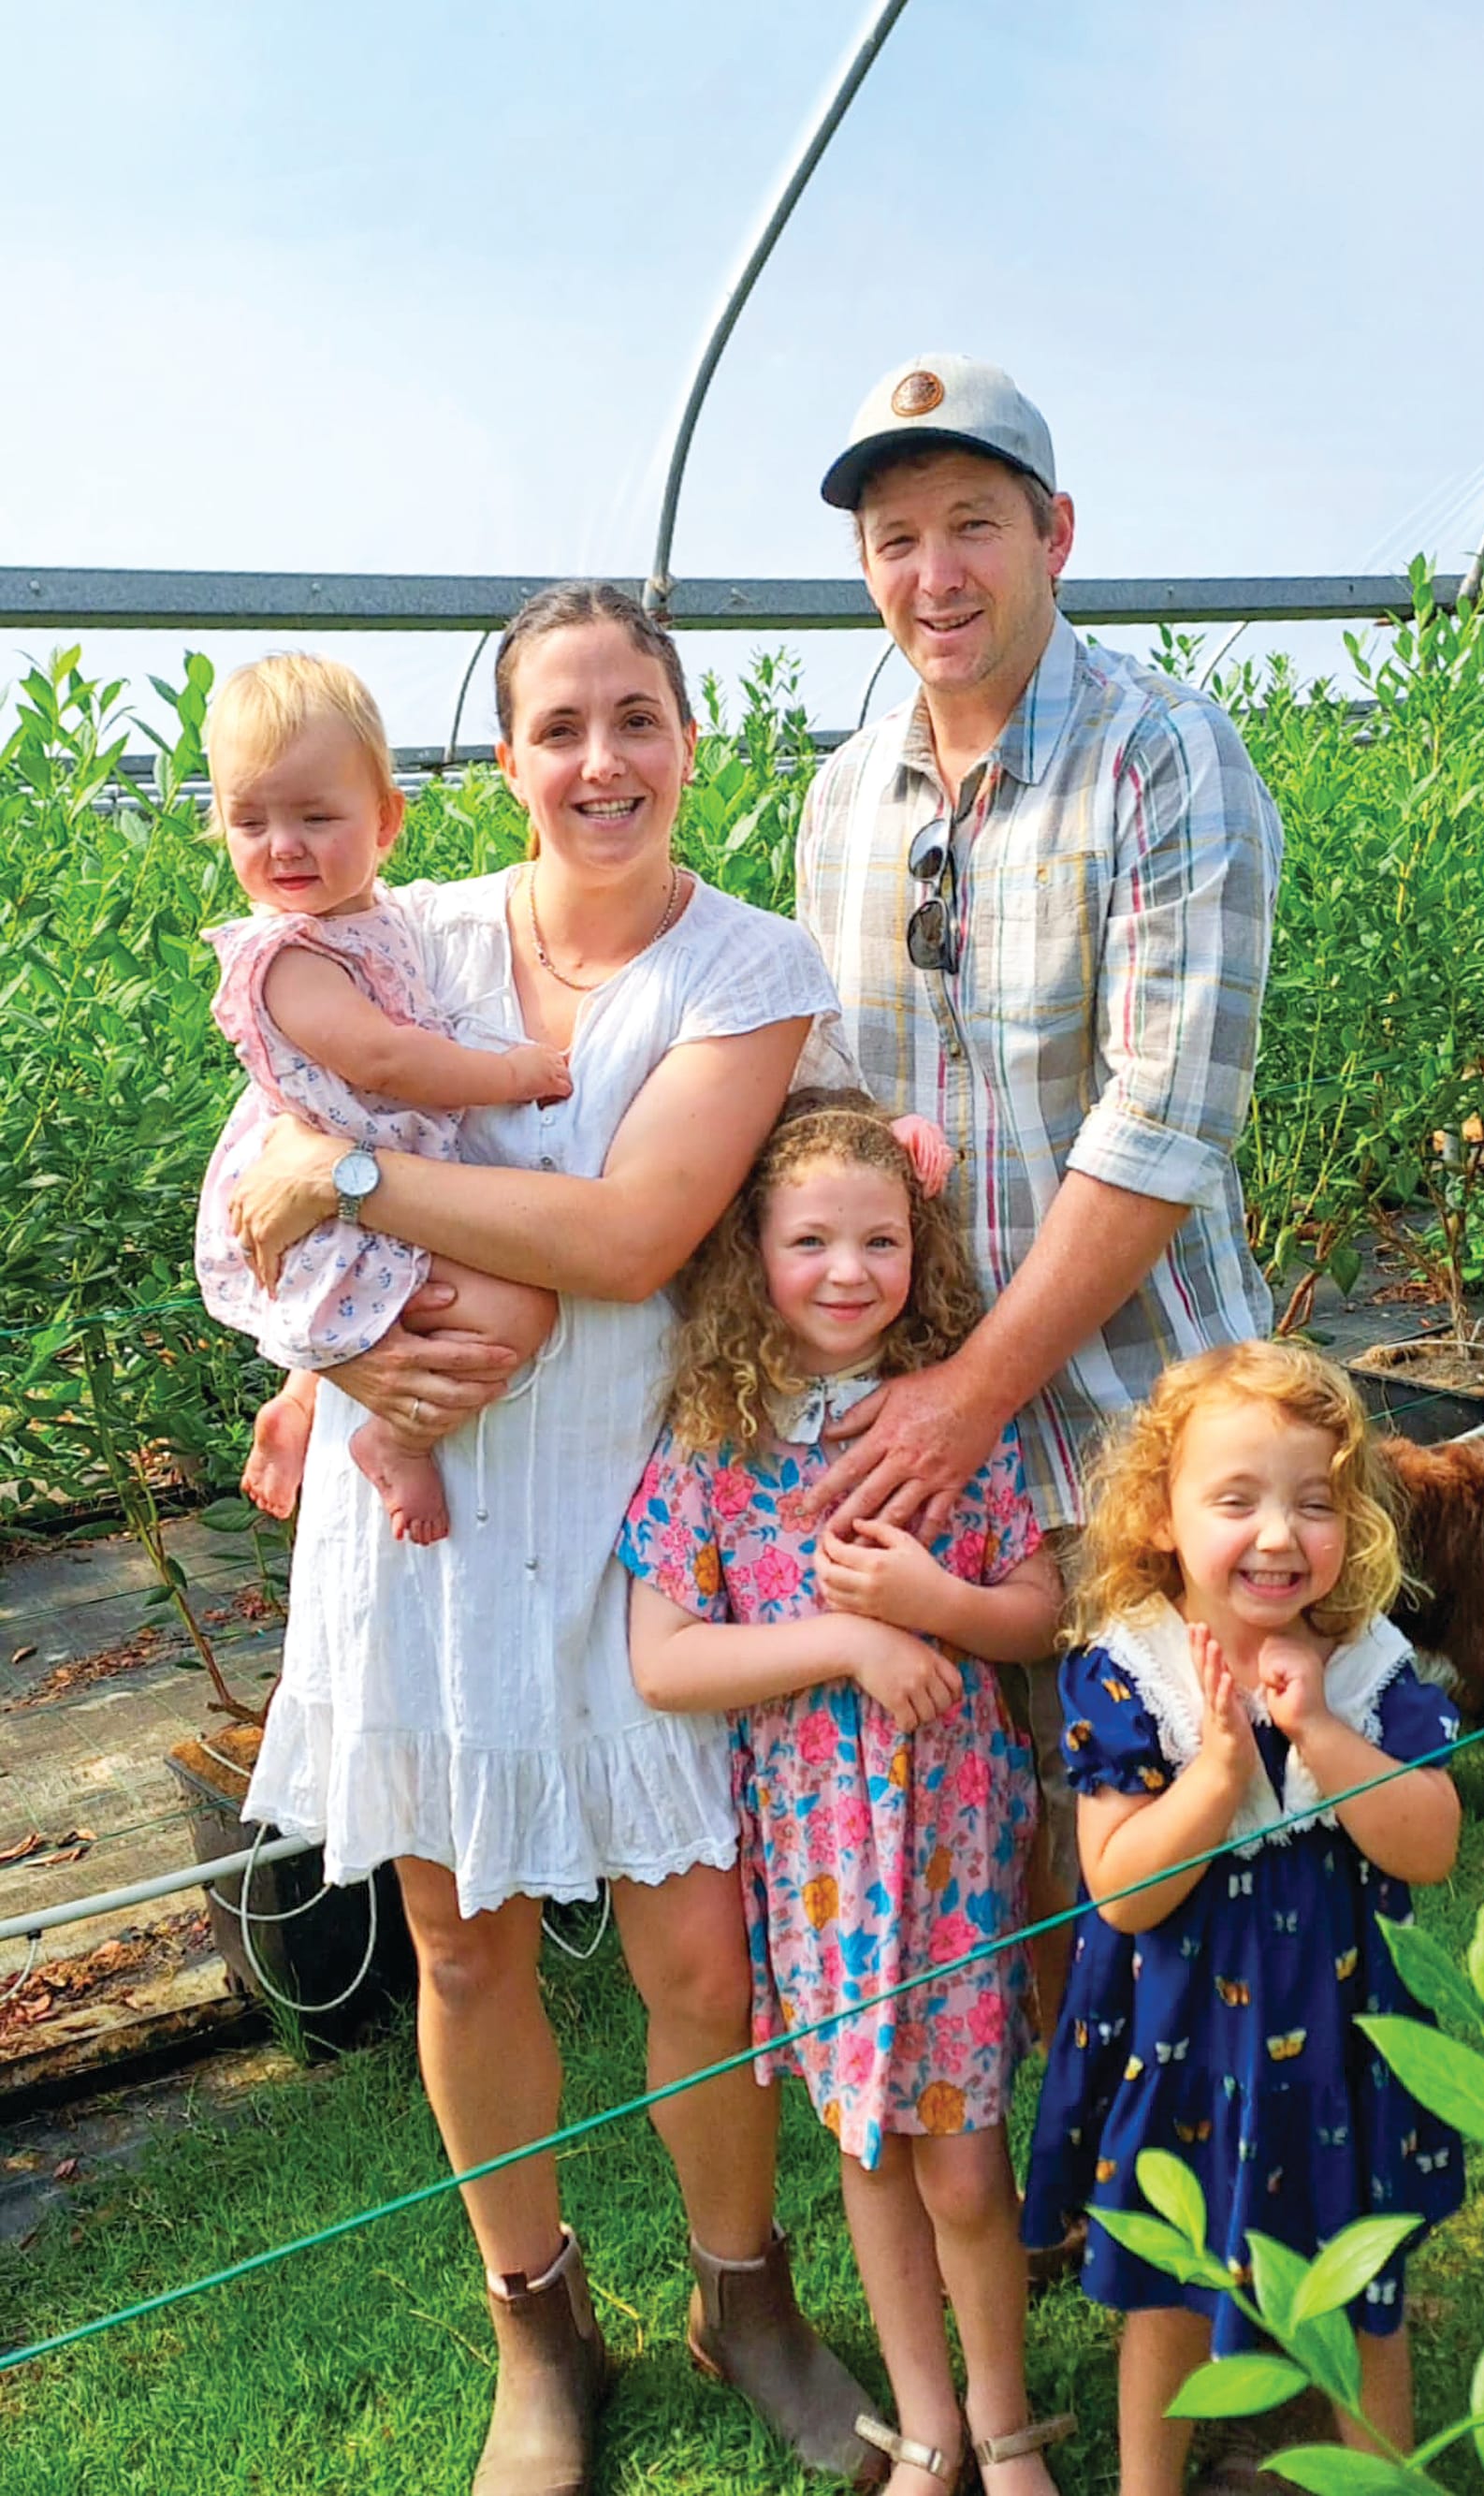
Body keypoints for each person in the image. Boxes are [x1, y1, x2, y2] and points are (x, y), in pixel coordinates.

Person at [221, 584, 879, 2496]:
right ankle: (540, 2322)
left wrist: (345, 1171)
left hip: (627, 1508)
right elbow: (240, 1184)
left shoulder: (747, 973)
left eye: (633, 720)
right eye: (557, 727)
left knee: (694, 1942)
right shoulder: (393, 933)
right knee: (454, 1929)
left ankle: (743, 2299)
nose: (599, 761)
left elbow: (627, 1240)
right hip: (413, 1506)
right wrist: (325, 1357)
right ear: (497, 765)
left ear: (686, 739)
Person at [795, 352, 1286, 2042]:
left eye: (973, 526)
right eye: (896, 538)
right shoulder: (843, 798)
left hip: (1139, 1413)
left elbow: (1163, 1124)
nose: (933, 575)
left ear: (1057, 533)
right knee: (1000, 1831)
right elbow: (833, 1116)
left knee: (1197, 1823)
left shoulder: (1165, 759)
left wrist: (960, 1401)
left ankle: (1238, 2201)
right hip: (930, 1411)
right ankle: (1068, 2184)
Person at [621, 1093, 1074, 2496]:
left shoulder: (943, 1426)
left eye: (880, 1237)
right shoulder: (717, 1444)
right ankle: (924, 2427)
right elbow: (665, 1657)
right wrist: (852, 1639)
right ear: (751, 1252)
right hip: (817, 1864)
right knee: (870, 2152)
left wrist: (936, 1601)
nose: (845, 1268)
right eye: (809, 1237)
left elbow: (1040, 1607)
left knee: (962, 2161)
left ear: (919, 1250)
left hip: (947, 1856)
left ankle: (1004, 2431)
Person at [1020, 1341, 1466, 2496]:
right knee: (1165, 2285)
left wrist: (1319, 1733)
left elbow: (1430, 1842)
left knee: (1366, 2284)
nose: (1277, 1534)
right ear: (1161, 1515)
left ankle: (1376, 2479)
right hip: (1180, 2047)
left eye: (1313, 1503)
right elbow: (1122, 1886)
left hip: (1346, 2037)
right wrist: (1214, 1778)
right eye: (1236, 1499)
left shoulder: (1365, 1664)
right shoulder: (1129, 1673)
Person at [196, 653, 566, 1546]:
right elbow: (389, 1058)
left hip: (364, 1178)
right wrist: (514, 1074)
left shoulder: (379, 917)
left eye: (316, 816)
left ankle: (300, 1398)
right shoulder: (286, 954)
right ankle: (394, 1435)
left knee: (418, 1297)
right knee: (523, 1310)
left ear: (386, 820)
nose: (283, 844)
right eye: (250, 820)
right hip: (330, 1200)